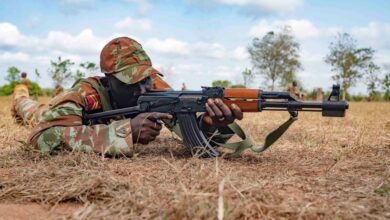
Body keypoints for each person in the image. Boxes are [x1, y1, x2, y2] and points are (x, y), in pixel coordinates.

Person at [12, 37, 243, 157]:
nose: (141, 88)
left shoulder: (157, 89)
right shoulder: (84, 94)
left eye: (145, 77)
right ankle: (20, 96)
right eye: (129, 80)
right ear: (108, 78)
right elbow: (41, 138)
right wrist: (125, 131)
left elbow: (192, 134)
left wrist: (210, 125)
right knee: (32, 110)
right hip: (50, 114)